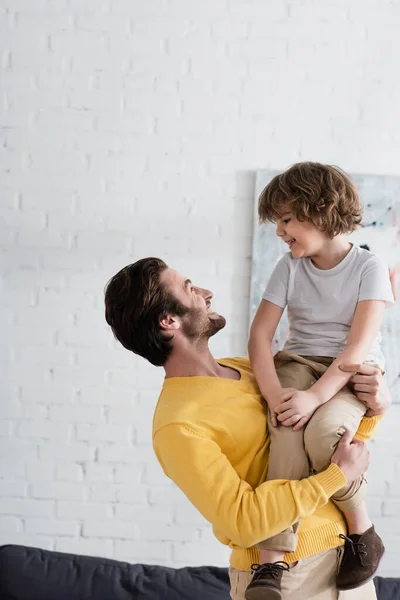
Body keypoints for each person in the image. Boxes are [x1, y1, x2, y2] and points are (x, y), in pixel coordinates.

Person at [104, 256, 391, 600]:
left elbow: (335, 446)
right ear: (169, 321)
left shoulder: (255, 371)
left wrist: (376, 407)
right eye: (190, 289)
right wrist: (335, 478)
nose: (207, 293)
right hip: (281, 583)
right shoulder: (176, 423)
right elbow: (242, 520)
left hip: (349, 563)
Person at [246, 162, 394, 599]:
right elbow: (259, 335)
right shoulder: (289, 268)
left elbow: (355, 349)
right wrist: (276, 395)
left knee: (326, 436)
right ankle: (271, 562)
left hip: (351, 370)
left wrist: (313, 398)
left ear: (322, 210)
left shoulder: (369, 265)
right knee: (285, 432)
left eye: (287, 220)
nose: (280, 232)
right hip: (299, 361)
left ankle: (362, 530)